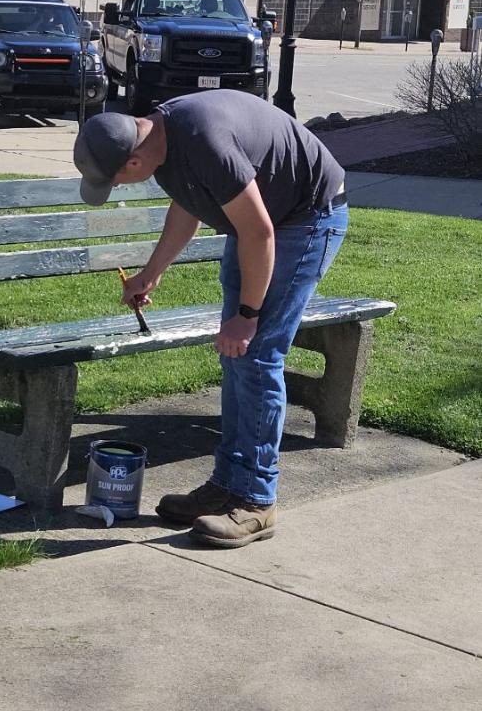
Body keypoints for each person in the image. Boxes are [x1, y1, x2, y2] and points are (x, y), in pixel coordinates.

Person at [73, 90, 347, 548]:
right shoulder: (160, 141)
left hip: (305, 217)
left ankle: (258, 503)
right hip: (263, 223)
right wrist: (150, 273)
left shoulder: (204, 140)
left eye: (115, 181)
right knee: (235, 356)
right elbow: (188, 206)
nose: (118, 187)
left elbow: (259, 231)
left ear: (133, 163)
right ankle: (227, 486)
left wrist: (246, 314)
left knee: (256, 354)